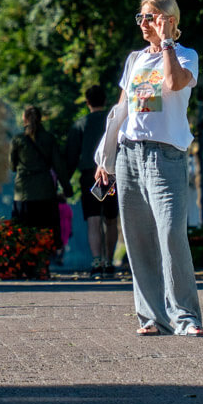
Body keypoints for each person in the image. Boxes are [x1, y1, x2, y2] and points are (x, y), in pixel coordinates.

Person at [94, 0, 203, 336]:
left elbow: (174, 83)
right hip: (130, 154)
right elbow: (120, 111)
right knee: (138, 238)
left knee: (172, 232)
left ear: (169, 20)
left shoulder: (186, 55)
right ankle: (152, 318)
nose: (143, 24)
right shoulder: (135, 60)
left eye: (151, 18)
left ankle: (186, 318)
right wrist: (106, 156)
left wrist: (168, 44)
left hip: (165, 155)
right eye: (141, 18)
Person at [66, 85, 120, 278]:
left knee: (93, 220)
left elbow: (71, 155)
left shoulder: (81, 124)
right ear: (105, 101)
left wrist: (65, 182)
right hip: (112, 176)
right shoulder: (113, 121)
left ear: (87, 102)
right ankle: (109, 260)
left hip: (90, 177)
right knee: (111, 219)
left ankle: (96, 261)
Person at [10, 106, 72, 266]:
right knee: (46, 229)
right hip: (45, 192)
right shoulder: (49, 138)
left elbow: (12, 166)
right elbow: (59, 165)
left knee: (23, 229)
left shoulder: (18, 140)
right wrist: (67, 187)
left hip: (23, 192)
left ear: (24, 119)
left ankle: (25, 262)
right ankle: (43, 261)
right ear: (40, 118)